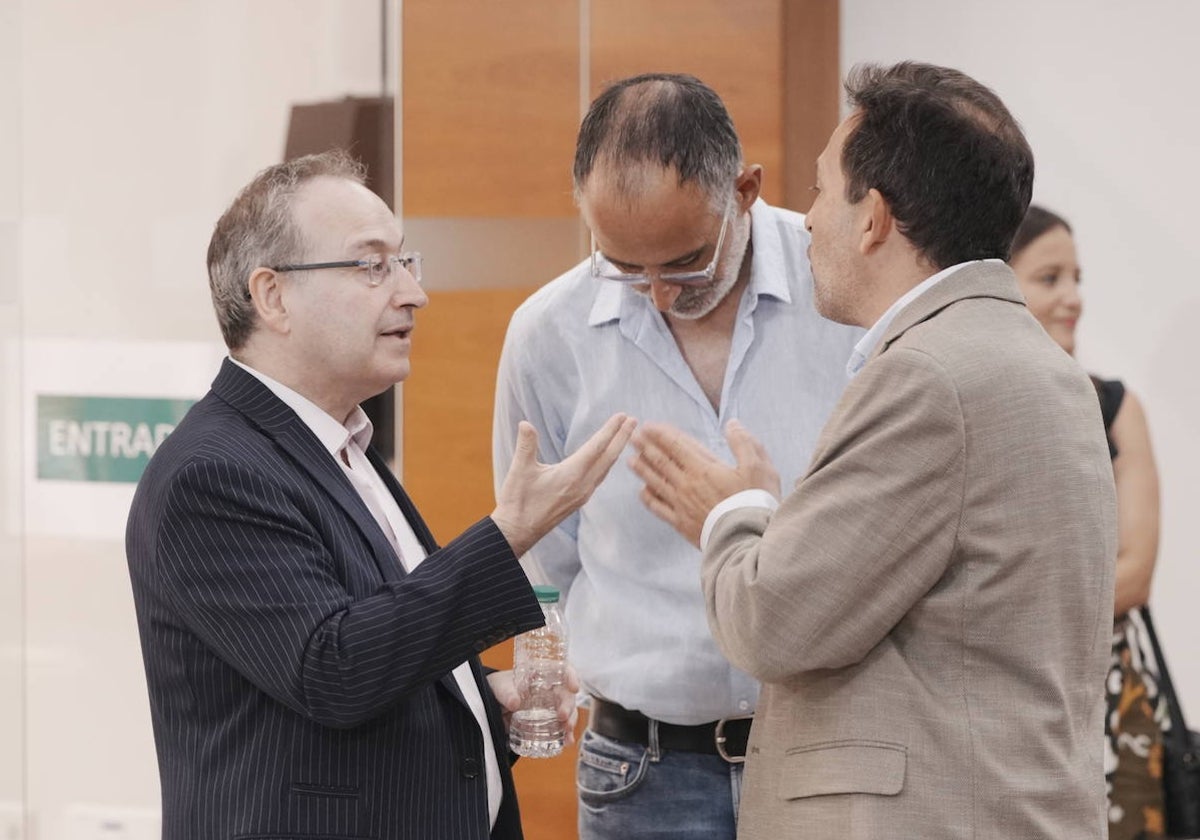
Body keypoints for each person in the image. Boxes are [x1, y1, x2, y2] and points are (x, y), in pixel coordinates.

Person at [629, 62, 1118, 839]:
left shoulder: (929, 378)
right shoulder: (1039, 367)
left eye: (823, 190)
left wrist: (737, 511)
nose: (810, 220)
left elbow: (774, 620)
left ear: (875, 218)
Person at [125, 150, 636, 840]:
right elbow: (334, 670)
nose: (412, 293)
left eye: (405, 261)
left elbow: (375, 645)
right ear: (273, 296)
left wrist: (480, 701)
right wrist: (507, 532)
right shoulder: (213, 474)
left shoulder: (339, 446)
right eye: (371, 266)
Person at [492, 73, 859, 839]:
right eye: (624, 267)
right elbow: (548, 559)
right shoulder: (548, 336)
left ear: (746, 191)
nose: (658, 293)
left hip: (829, 753)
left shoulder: (847, 293)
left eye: (686, 262)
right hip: (642, 770)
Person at [1010, 205, 1164, 840]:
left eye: (1078, 277)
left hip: (1104, 709)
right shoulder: (962, 404)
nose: (1073, 297)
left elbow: (1134, 575)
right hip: (999, 714)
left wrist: (1001, 606)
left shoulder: (1114, 408)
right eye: (1050, 278)